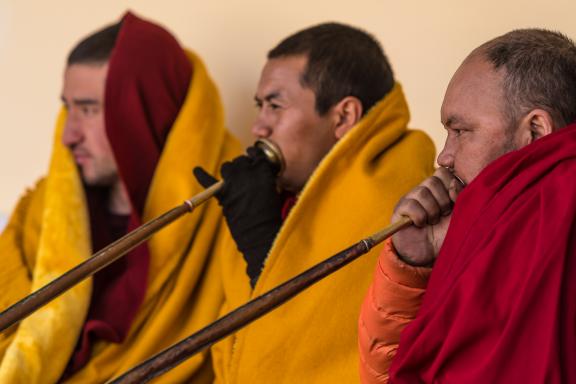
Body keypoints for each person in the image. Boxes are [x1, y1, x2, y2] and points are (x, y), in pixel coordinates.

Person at [0, 12, 242, 383]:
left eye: (89, 109)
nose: (69, 135)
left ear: (144, 110)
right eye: (68, 107)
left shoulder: (231, 213)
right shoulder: (40, 212)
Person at [193, 22, 435, 383]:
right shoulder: (282, 193)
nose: (259, 126)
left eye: (275, 105)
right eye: (260, 106)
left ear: (343, 117)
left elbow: (300, 350)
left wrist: (260, 236)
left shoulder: (392, 191)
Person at [359, 28, 576, 383]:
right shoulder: (485, 224)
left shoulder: (553, 208)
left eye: (460, 131)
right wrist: (412, 264)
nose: (444, 157)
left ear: (535, 131)